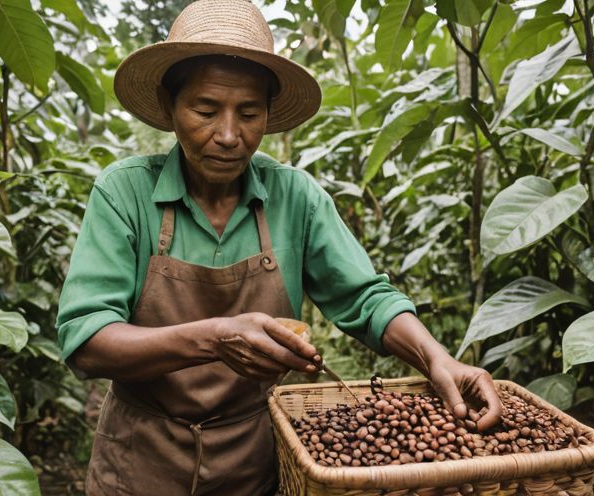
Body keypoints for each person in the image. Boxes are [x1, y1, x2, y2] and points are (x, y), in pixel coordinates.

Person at [55, 0, 502, 494]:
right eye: (205, 110)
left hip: (254, 461)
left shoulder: (295, 198)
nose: (228, 135)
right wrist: (216, 337)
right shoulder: (125, 193)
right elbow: (88, 340)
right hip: (139, 463)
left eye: (249, 113)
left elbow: (365, 298)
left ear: (269, 113)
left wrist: (437, 358)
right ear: (169, 106)